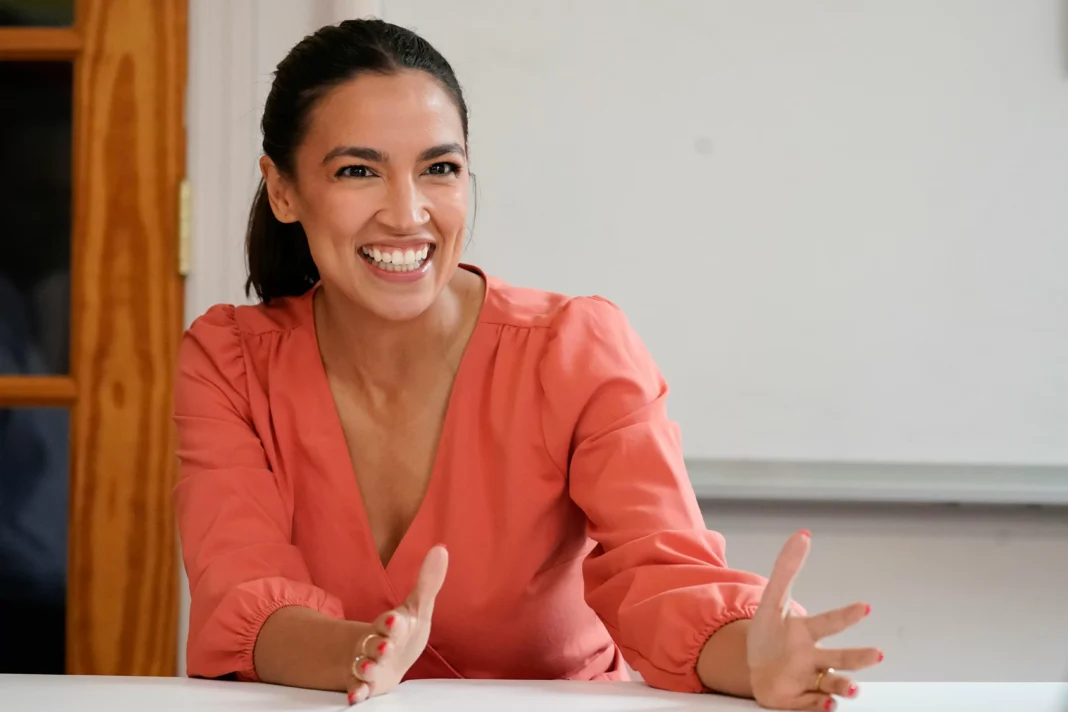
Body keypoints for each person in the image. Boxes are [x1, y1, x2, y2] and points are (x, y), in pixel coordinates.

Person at [174, 18, 882, 711]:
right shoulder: (230, 365)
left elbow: (664, 576)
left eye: (439, 169)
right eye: (358, 171)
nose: (407, 213)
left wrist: (754, 658)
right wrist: (360, 653)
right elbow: (242, 591)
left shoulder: (573, 351)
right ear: (283, 190)